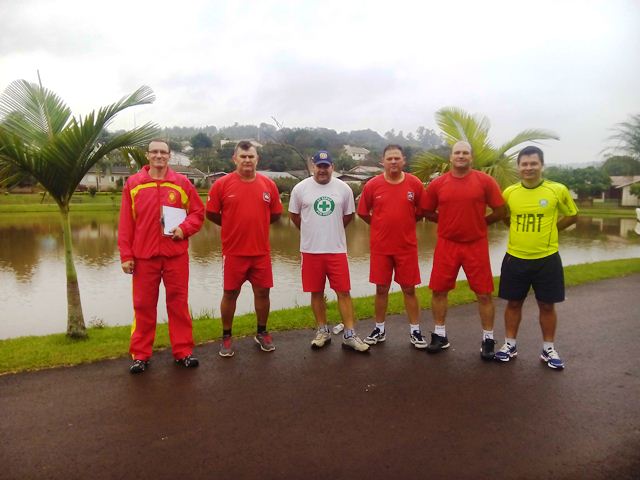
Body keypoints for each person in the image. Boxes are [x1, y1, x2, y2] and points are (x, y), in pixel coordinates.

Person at [118, 139, 204, 374]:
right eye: (154, 152)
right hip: (144, 257)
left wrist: (184, 229)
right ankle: (141, 355)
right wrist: (126, 255)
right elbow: (126, 224)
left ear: (169, 156)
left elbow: (197, 213)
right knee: (143, 306)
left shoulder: (182, 183)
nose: (159, 156)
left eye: (163, 152)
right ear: (147, 156)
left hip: (175, 255)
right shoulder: (134, 185)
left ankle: (183, 352)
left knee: (178, 304)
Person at [495, 146, 578, 369]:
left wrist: (554, 230)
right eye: (524, 164)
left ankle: (548, 349)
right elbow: (503, 216)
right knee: (513, 303)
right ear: (518, 167)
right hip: (515, 258)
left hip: (547, 259)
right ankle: (510, 345)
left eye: (533, 163)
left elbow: (572, 215)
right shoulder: (509, 192)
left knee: (547, 306)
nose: (529, 168)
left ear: (542, 165)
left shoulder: (557, 190)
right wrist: (515, 228)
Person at [421, 141, 505, 359]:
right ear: (450, 157)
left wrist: (481, 223)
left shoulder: (485, 181)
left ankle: (488, 339)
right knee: (439, 291)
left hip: (475, 244)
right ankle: (440, 335)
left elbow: (500, 210)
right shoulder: (438, 184)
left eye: (465, 153)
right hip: (447, 244)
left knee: (484, 293)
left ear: (471, 157)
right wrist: (446, 221)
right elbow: (427, 211)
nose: (461, 156)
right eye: (457, 153)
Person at [206, 140, 283, 357]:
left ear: (257, 159)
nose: (247, 160)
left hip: (261, 252)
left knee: (263, 292)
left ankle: (261, 332)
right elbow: (211, 213)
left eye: (251, 156)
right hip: (233, 252)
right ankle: (227, 336)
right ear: (235, 159)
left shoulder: (269, 185)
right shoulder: (222, 184)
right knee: (230, 294)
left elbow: (275, 214)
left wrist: (256, 224)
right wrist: (231, 224)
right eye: (243, 156)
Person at [289, 150, 369, 352]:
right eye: (319, 166)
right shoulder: (300, 189)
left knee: (343, 292)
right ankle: (322, 331)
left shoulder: (344, 189)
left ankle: (350, 334)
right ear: (312, 167)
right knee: (316, 292)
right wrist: (310, 231)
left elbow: (348, 216)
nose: (322, 170)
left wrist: (331, 230)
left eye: (326, 166)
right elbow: (295, 215)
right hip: (310, 250)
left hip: (336, 250)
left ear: (332, 167)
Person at [357, 144, 429, 349]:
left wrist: (406, 223)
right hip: (381, 247)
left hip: (406, 247)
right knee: (381, 289)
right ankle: (379, 329)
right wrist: (379, 225)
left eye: (397, 158)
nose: (394, 162)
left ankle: (415, 331)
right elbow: (362, 212)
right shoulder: (372, 185)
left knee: (409, 289)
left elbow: (422, 210)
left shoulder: (414, 183)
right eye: (390, 158)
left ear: (403, 160)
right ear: (383, 161)